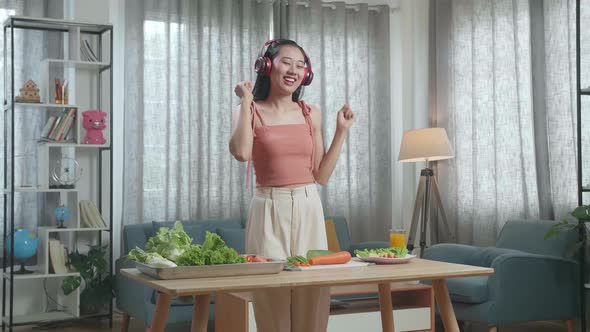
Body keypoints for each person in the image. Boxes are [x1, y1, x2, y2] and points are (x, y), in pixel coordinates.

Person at [229, 39, 355, 332]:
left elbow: (321, 176)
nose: (294, 70)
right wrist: (246, 101)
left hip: (309, 203)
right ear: (267, 66)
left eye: (301, 65)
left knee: (313, 291)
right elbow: (241, 153)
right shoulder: (249, 109)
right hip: (268, 206)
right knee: (271, 291)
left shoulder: (311, 113)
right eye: (286, 62)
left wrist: (341, 132)